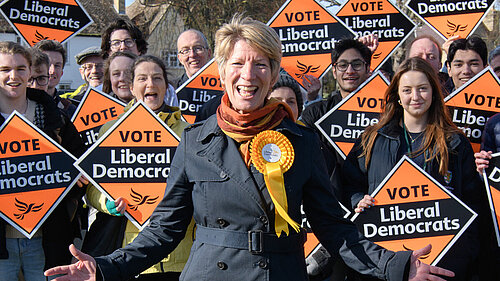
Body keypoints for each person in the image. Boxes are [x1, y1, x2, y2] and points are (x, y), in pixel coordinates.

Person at [45, 16, 453, 281]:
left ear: (275, 72)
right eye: (238, 64)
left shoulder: (302, 141)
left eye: (261, 64)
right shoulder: (194, 140)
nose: (248, 75)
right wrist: (103, 268)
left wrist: (397, 266)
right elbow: (163, 230)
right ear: (221, 71)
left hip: (280, 272)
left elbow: (333, 228)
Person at [342, 57, 483, 280]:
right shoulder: (371, 139)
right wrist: (358, 200)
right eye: (407, 90)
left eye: (422, 89)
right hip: (386, 261)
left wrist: (462, 256)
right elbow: (345, 185)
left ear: (434, 93)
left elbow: (474, 204)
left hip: (441, 263)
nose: (415, 97)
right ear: (397, 96)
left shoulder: (454, 142)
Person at [81, 55, 192, 280]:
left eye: (157, 78)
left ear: (166, 86)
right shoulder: (111, 130)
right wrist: (106, 202)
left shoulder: (188, 132)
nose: (150, 84)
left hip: (180, 254)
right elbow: (92, 189)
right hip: (130, 254)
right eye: (142, 79)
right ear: (131, 87)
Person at [0, 42, 86, 281]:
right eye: (4, 69)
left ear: (30, 71)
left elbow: (79, 162)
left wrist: (78, 176)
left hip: (45, 238)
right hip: (2, 243)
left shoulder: (54, 117)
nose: (13, 76)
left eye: (20, 68)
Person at [300, 38, 373, 204]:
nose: (350, 70)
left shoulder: (385, 113)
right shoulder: (316, 114)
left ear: (368, 69)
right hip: (330, 205)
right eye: (342, 65)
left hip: (371, 203)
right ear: (334, 71)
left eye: (357, 64)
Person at [33, 40, 76, 117]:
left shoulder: (69, 110)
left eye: (57, 66)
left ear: (62, 72)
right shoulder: (19, 105)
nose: (52, 71)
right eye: (47, 64)